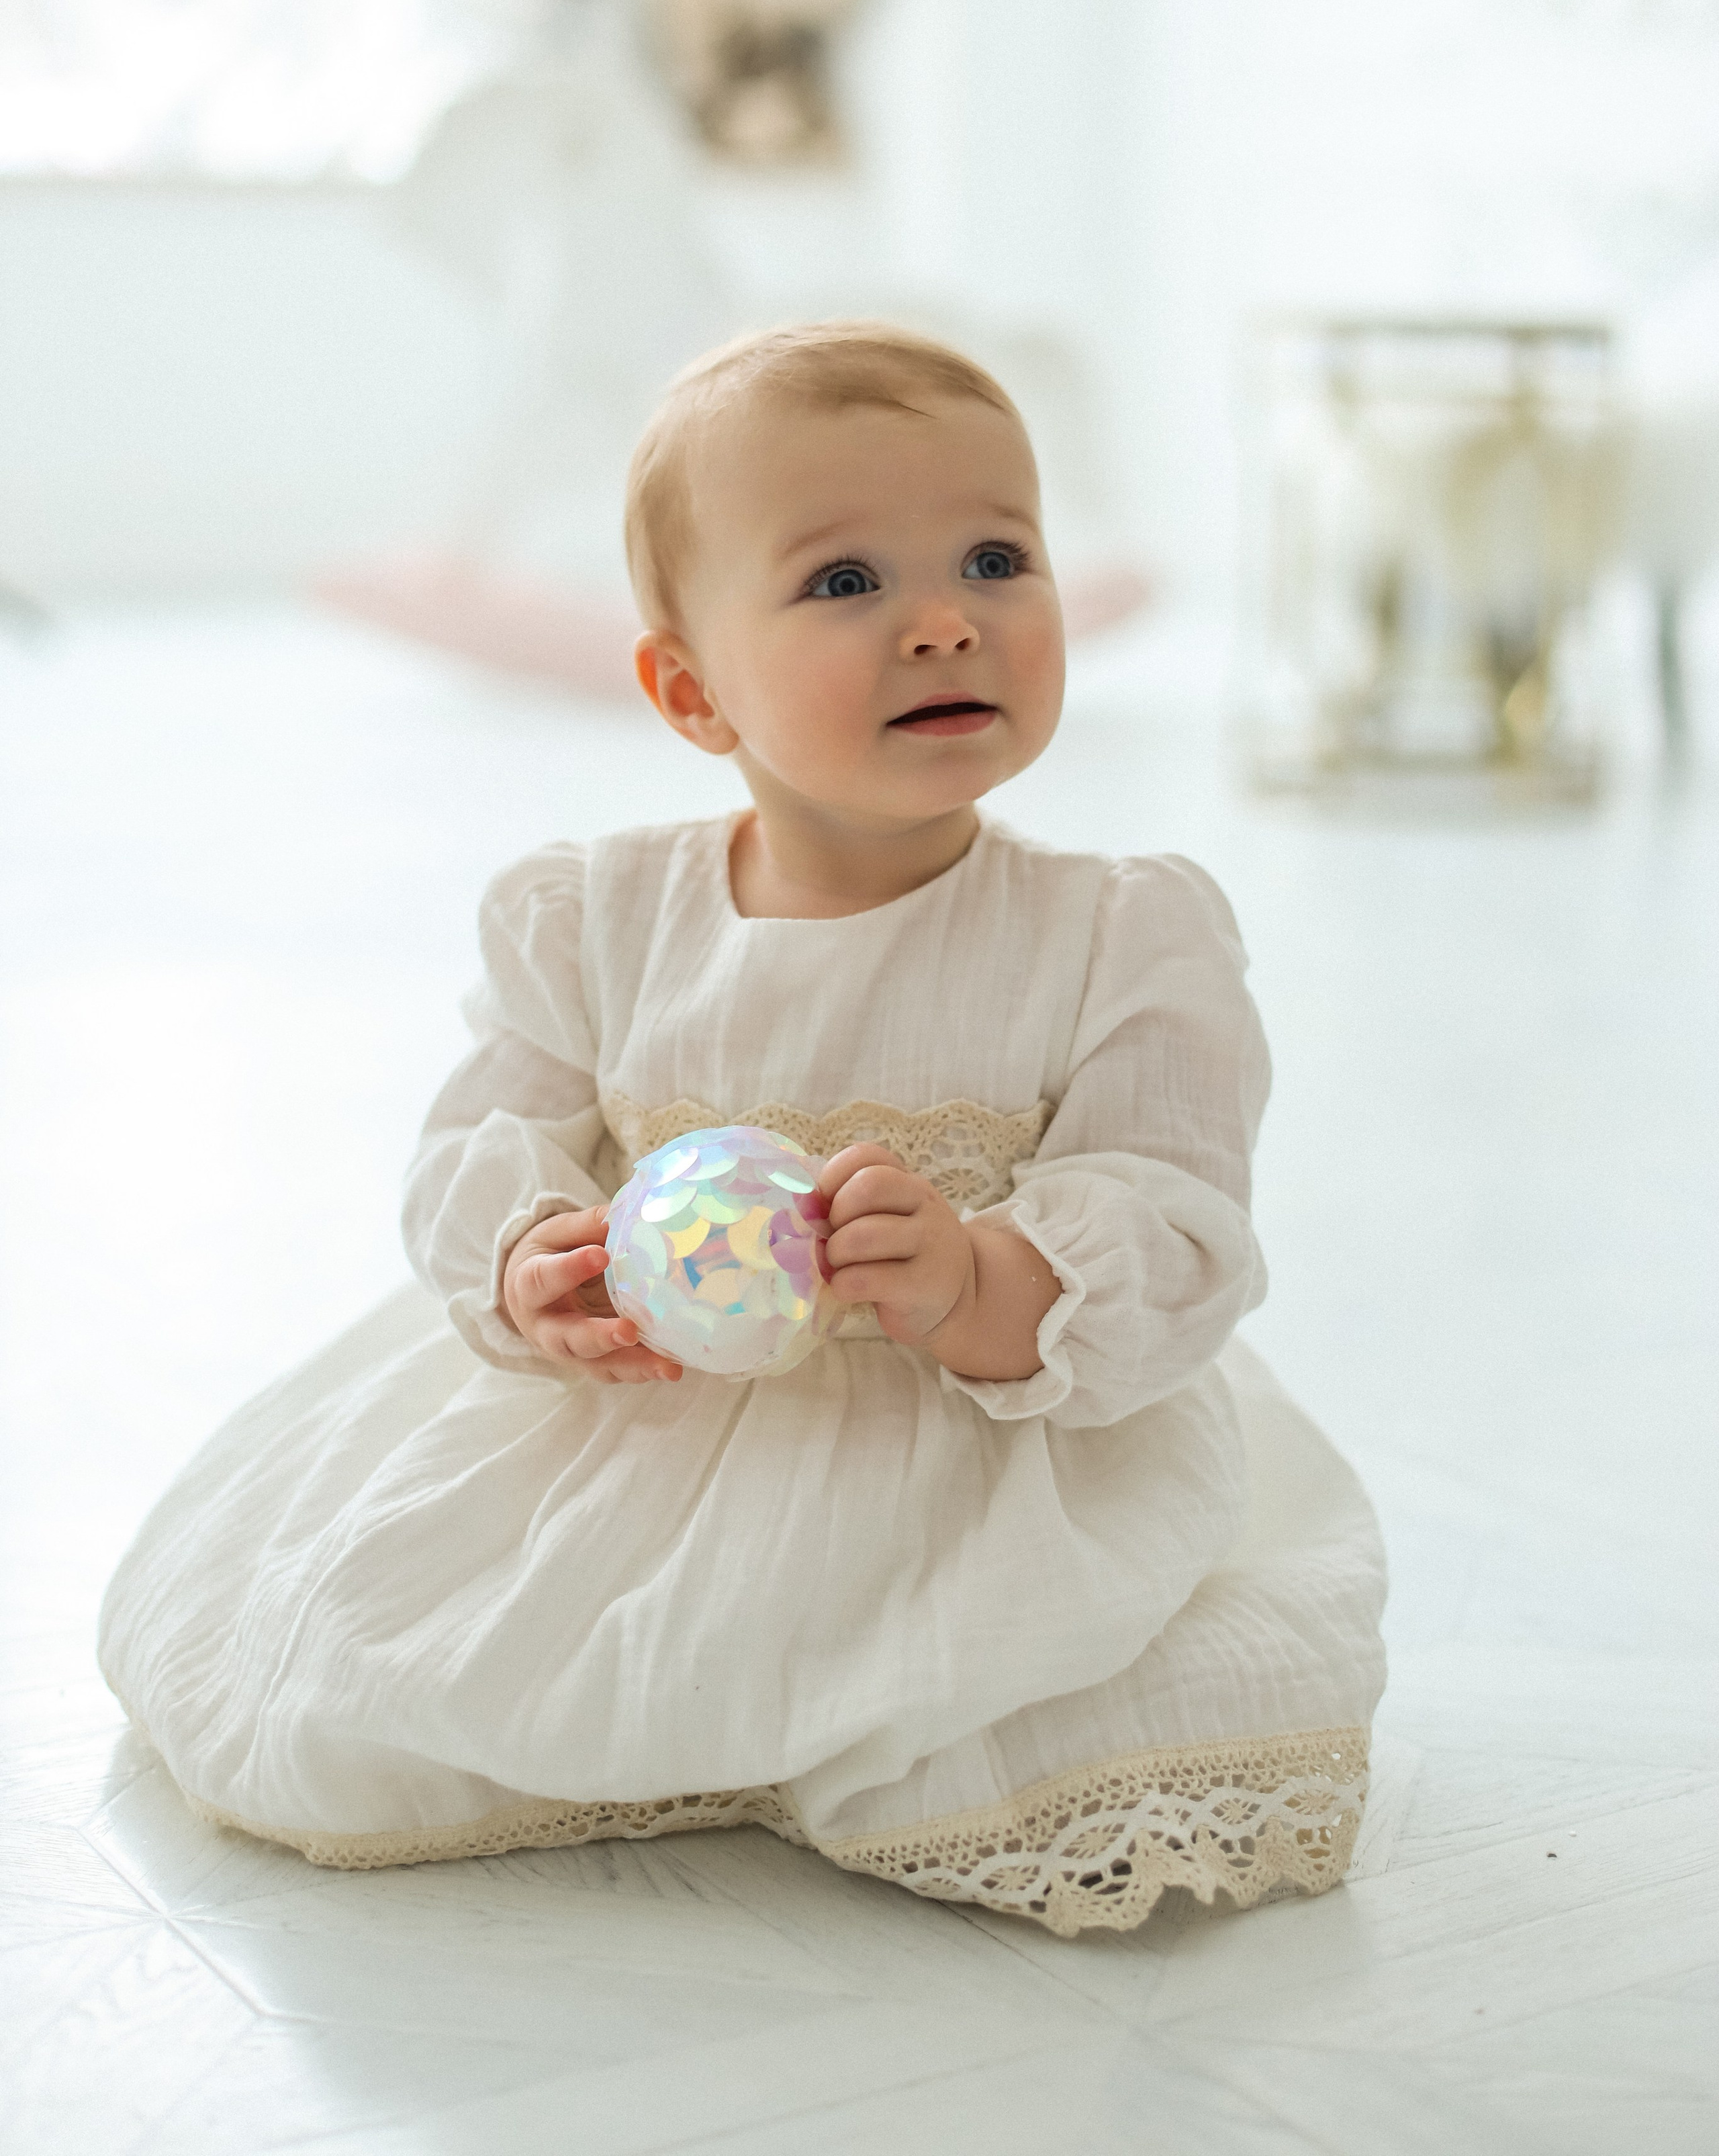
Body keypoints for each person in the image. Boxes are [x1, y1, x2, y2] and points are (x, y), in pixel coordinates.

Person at [99, 323, 1386, 1938]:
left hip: (971, 1442)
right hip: (645, 1419)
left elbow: (1173, 1208)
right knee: (393, 1662)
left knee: (1065, 1718)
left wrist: (979, 1277)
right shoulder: (598, 917)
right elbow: (479, 1142)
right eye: (844, 582)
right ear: (689, 690)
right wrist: (530, 1264)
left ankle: (862, 1706)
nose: (941, 622)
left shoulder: (1115, 937)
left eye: (996, 558)